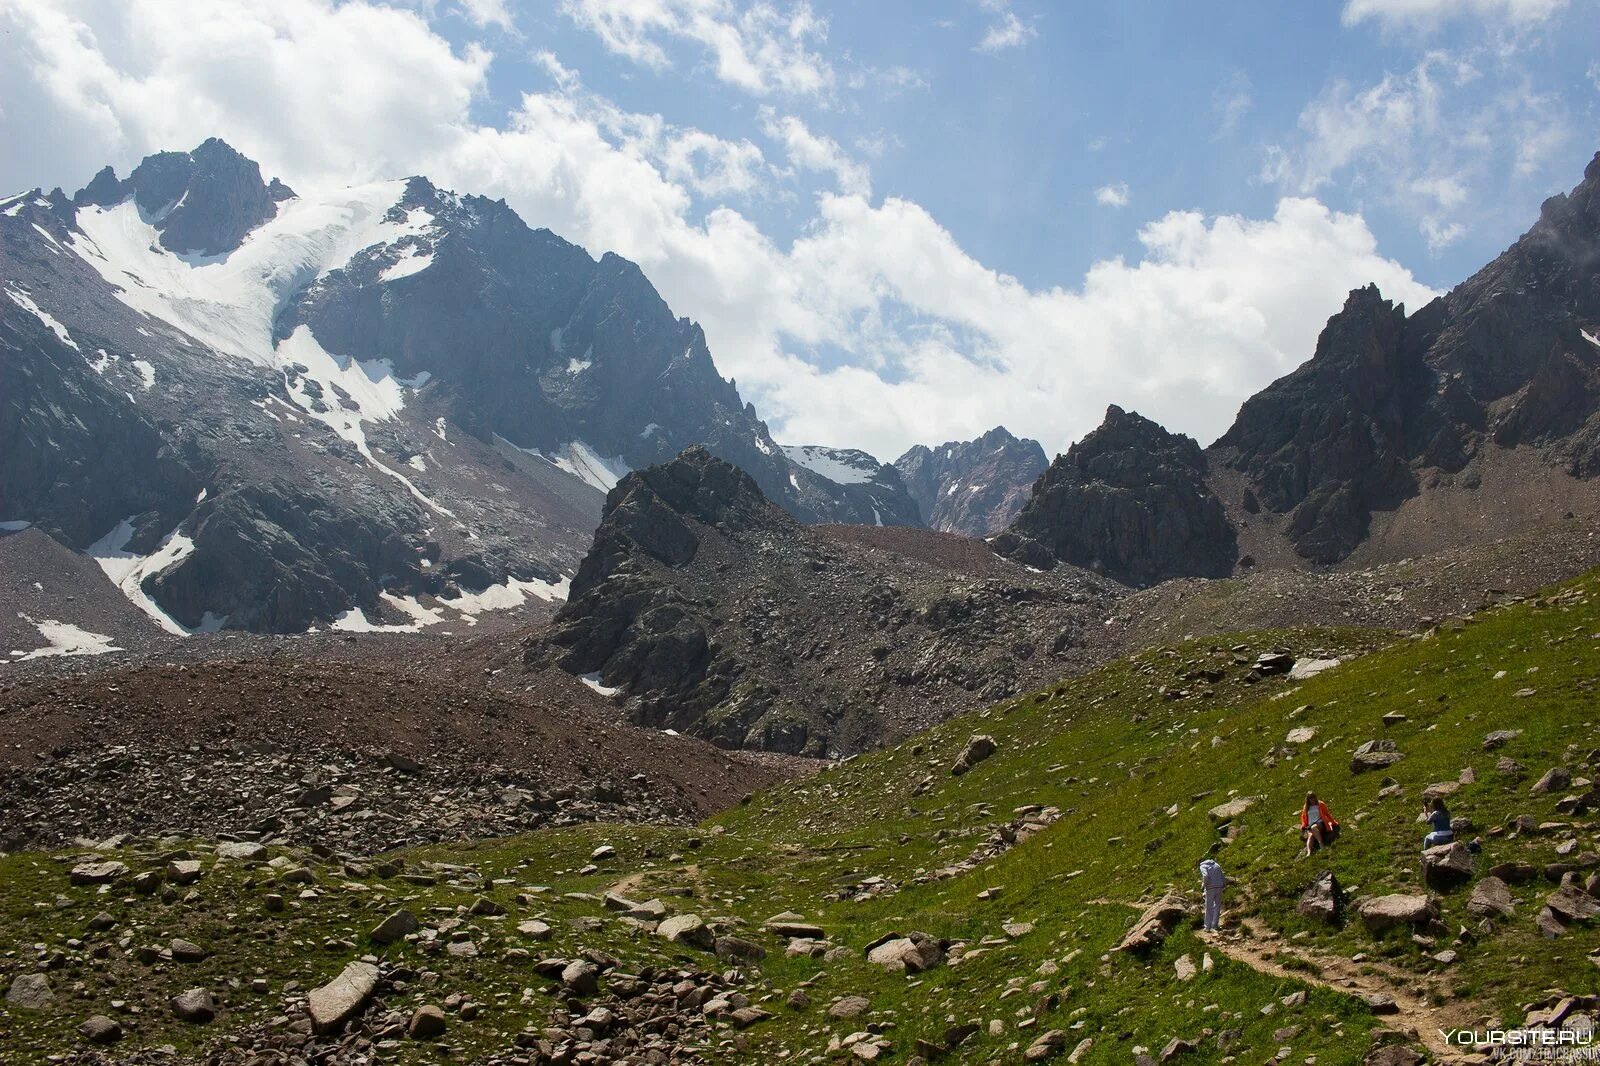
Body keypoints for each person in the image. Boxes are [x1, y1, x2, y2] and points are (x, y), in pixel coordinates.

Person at [1300, 792, 1339, 858]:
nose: (1312, 799)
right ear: (1308, 799)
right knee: (1310, 836)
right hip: (1310, 825)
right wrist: (1303, 825)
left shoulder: (1320, 804)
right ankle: (1309, 852)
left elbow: (1327, 814)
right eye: (1310, 798)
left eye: (1314, 797)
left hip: (1320, 823)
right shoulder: (1306, 807)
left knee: (1314, 827)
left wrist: (1333, 822)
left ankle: (1321, 845)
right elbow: (1303, 818)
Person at [1199, 856, 1226, 932]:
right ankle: (1215, 925)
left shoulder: (1203, 866)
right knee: (1217, 905)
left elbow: (1205, 876)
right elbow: (1222, 875)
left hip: (1210, 888)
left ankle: (1207, 927)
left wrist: (1203, 885)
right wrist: (1224, 883)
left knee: (1209, 906)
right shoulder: (1216, 865)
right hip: (1220, 886)